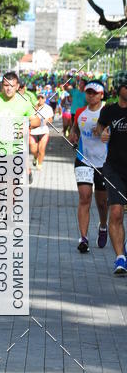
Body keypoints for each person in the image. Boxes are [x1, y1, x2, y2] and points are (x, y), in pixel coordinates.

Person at [69, 81, 108, 253]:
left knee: (102, 202)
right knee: (84, 197)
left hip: (104, 162)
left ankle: (103, 225)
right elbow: (74, 129)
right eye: (88, 92)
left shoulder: (107, 112)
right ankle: (83, 238)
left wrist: (106, 134)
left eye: (94, 93)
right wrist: (73, 134)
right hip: (83, 160)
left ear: (101, 95)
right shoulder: (80, 112)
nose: (90, 96)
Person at [94, 77, 127, 274]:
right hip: (114, 169)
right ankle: (120, 258)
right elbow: (100, 128)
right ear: (119, 88)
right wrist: (103, 133)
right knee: (115, 212)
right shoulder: (109, 111)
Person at [0, 72, 44, 184]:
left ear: (17, 86)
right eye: (6, 85)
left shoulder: (24, 102)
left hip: (15, 151)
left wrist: (27, 125)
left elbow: (37, 121)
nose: (9, 89)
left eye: (12, 86)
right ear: (2, 85)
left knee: (11, 187)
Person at [29, 92, 54, 171]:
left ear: (45, 99)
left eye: (42, 98)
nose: (40, 99)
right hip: (33, 131)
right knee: (33, 150)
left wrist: (48, 121)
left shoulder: (48, 108)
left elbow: (51, 119)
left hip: (44, 131)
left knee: (41, 149)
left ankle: (39, 165)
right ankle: (35, 157)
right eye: (39, 98)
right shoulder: (32, 107)